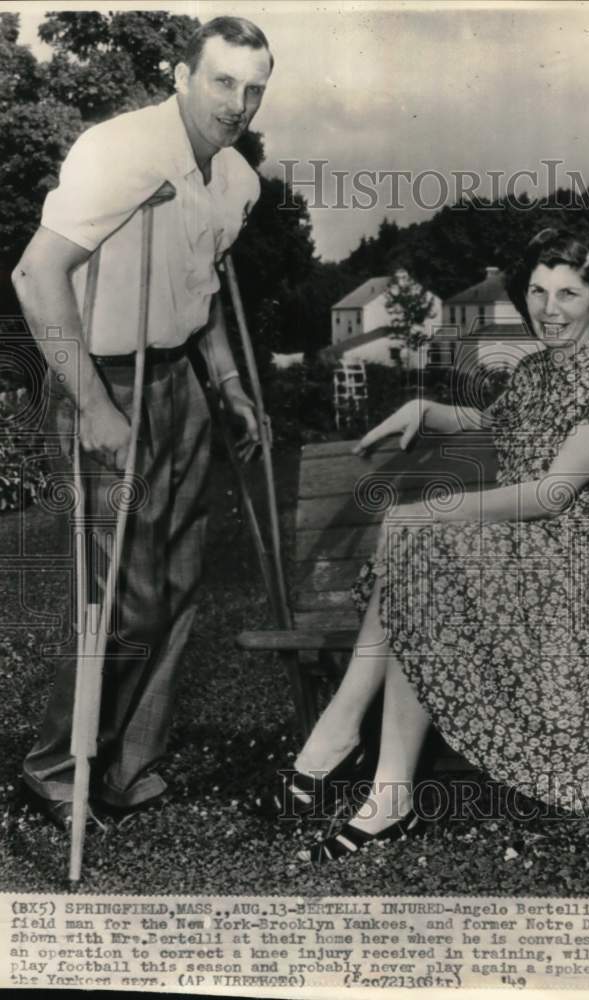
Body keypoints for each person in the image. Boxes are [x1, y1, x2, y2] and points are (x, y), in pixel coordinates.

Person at [269, 227, 589, 864]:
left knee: (425, 546)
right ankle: (381, 785)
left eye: (569, 293)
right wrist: (427, 410)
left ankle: (344, 745)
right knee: (422, 565)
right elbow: (493, 422)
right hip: (542, 551)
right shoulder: (539, 370)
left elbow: (552, 494)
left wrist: (435, 509)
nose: (550, 309)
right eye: (538, 292)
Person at [11, 16, 273, 827]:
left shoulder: (236, 182)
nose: (237, 102)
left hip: (178, 381)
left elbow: (203, 300)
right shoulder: (116, 150)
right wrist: (92, 406)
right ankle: (56, 765)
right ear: (182, 75)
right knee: (120, 596)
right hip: (97, 377)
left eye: (253, 88)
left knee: (181, 584)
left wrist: (228, 384)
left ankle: (127, 763)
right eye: (222, 81)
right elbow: (34, 273)